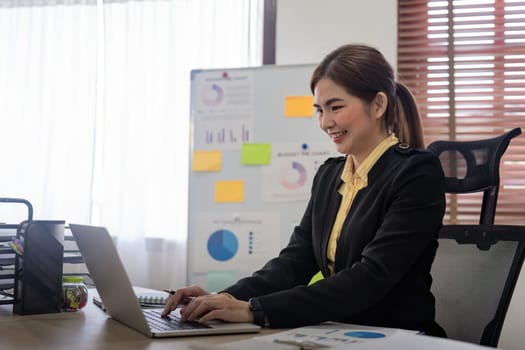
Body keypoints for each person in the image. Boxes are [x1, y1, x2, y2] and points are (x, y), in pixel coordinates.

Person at [162, 44, 446, 336]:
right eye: (320, 110)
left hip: (398, 337)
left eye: (336, 107)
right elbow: (295, 262)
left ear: (378, 105)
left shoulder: (417, 173)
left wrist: (254, 310)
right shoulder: (329, 175)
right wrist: (223, 298)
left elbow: (371, 277)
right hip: (340, 333)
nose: (325, 122)